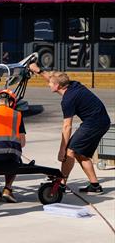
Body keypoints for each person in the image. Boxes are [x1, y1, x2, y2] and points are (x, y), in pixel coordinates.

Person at [29, 64, 110, 193]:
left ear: (57, 87)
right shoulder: (72, 85)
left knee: (70, 151)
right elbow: (53, 78)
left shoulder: (68, 99)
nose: (48, 84)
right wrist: (38, 71)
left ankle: (61, 184)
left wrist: (62, 150)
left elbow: (67, 126)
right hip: (99, 121)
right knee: (80, 153)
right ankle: (95, 186)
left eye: (50, 83)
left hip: (95, 123)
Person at [0, 89, 27, 203]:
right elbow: (22, 143)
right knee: (15, 157)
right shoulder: (17, 115)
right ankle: (8, 188)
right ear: (12, 103)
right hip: (10, 158)